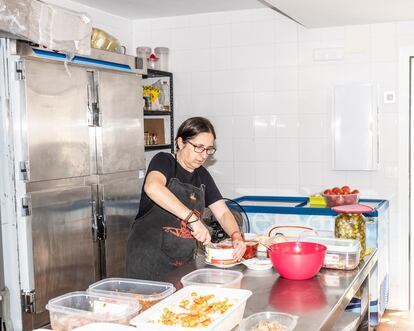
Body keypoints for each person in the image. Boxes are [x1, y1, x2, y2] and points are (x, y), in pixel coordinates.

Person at [126, 117, 246, 280]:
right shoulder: (164, 161)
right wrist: (192, 219)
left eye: (208, 150)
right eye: (199, 147)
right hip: (147, 264)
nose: (204, 155)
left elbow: (223, 213)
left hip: (182, 267)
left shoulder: (202, 175)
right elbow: (153, 187)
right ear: (181, 142)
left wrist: (236, 235)